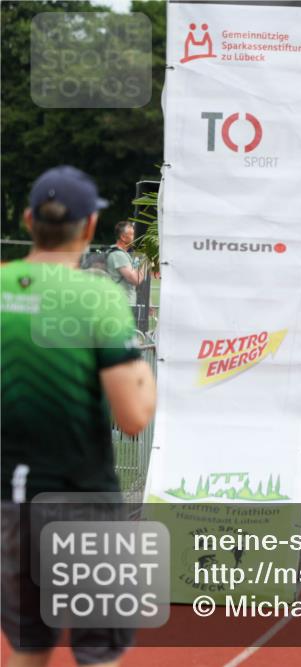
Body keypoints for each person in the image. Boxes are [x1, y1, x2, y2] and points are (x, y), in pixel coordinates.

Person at [1, 166, 157, 667]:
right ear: (90, 227)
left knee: (29, 647)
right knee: (96, 652)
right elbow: (133, 418)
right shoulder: (97, 297)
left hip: (10, 503)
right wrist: (147, 377)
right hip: (84, 502)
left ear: (28, 220)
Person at [105, 221, 145, 306]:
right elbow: (135, 279)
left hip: (124, 304)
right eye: (132, 234)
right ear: (123, 237)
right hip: (121, 305)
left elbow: (134, 271)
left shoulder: (124, 254)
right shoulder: (118, 255)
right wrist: (145, 263)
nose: (135, 237)